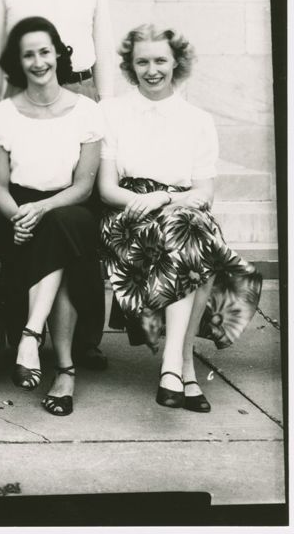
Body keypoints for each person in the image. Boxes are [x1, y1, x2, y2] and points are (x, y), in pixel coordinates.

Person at [0, 0, 113, 371]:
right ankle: (28, 328)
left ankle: (83, 343)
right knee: (35, 219)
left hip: (80, 95)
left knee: (81, 215)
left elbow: (103, 54)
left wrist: (107, 118)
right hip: (24, 105)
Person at [98, 25, 263, 412]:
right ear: (130, 65)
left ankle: (176, 365)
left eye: (160, 60)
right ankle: (182, 366)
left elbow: (203, 193)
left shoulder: (198, 120)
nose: (151, 69)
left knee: (189, 231)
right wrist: (155, 201)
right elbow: (107, 189)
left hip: (181, 211)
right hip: (129, 213)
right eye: (142, 61)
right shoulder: (113, 112)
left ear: (176, 63)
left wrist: (169, 199)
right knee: (193, 238)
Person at [0, 16, 105, 417]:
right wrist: (20, 215)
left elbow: (84, 187)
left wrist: (40, 209)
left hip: (70, 208)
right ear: (19, 62)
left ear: (58, 53)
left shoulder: (86, 111)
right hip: (17, 214)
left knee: (63, 226)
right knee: (59, 244)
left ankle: (31, 334)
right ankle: (63, 368)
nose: (38, 62)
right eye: (28, 54)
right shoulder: (3, 114)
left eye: (45, 51)